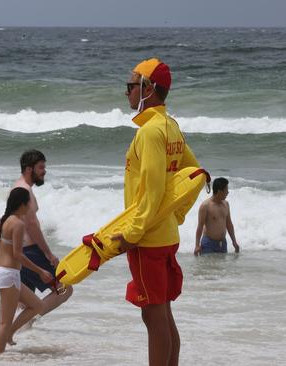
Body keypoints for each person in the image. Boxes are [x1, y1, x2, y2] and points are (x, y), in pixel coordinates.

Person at [111, 58, 199, 366]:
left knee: (153, 316)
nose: (127, 94)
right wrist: (176, 214)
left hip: (147, 239)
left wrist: (134, 233)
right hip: (165, 234)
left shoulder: (150, 132)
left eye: (131, 86)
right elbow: (196, 173)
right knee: (163, 314)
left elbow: (151, 188)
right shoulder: (170, 126)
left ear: (148, 89)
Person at [13, 150, 72, 317]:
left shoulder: (18, 188)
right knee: (64, 288)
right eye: (40, 167)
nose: (44, 171)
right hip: (31, 252)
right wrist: (48, 254)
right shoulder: (24, 191)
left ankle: (17, 334)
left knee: (24, 300)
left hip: (20, 251)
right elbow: (31, 225)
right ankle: (25, 322)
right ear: (29, 169)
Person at [0, 187, 48, 354]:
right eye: (28, 203)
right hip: (8, 275)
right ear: (22, 204)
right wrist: (40, 271)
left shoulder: (2, 221)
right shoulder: (17, 224)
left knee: (37, 305)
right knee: (4, 322)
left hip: (3, 273)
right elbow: (18, 255)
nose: (30, 206)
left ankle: (10, 333)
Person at [194, 177, 240, 255]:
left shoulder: (226, 204)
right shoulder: (205, 206)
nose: (228, 192)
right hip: (208, 244)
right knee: (208, 267)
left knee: (221, 267)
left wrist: (234, 241)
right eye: (226, 190)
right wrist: (197, 245)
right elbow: (200, 226)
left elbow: (229, 224)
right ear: (219, 191)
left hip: (223, 244)